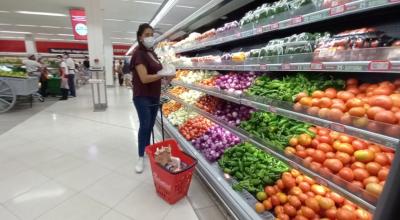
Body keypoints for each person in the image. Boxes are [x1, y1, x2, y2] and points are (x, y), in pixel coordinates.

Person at [130, 23, 175, 173]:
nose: (150, 37)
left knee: (150, 126)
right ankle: (140, 157)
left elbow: (158, 77)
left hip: (154, 95)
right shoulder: (138, 54)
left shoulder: (153, 53)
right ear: (140, 37)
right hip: (142, 95)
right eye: (147, 35)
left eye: (152, 34)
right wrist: (161, 75)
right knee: (145, 125)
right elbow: (144, 78)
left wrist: (167, 77)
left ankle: (148, 150)